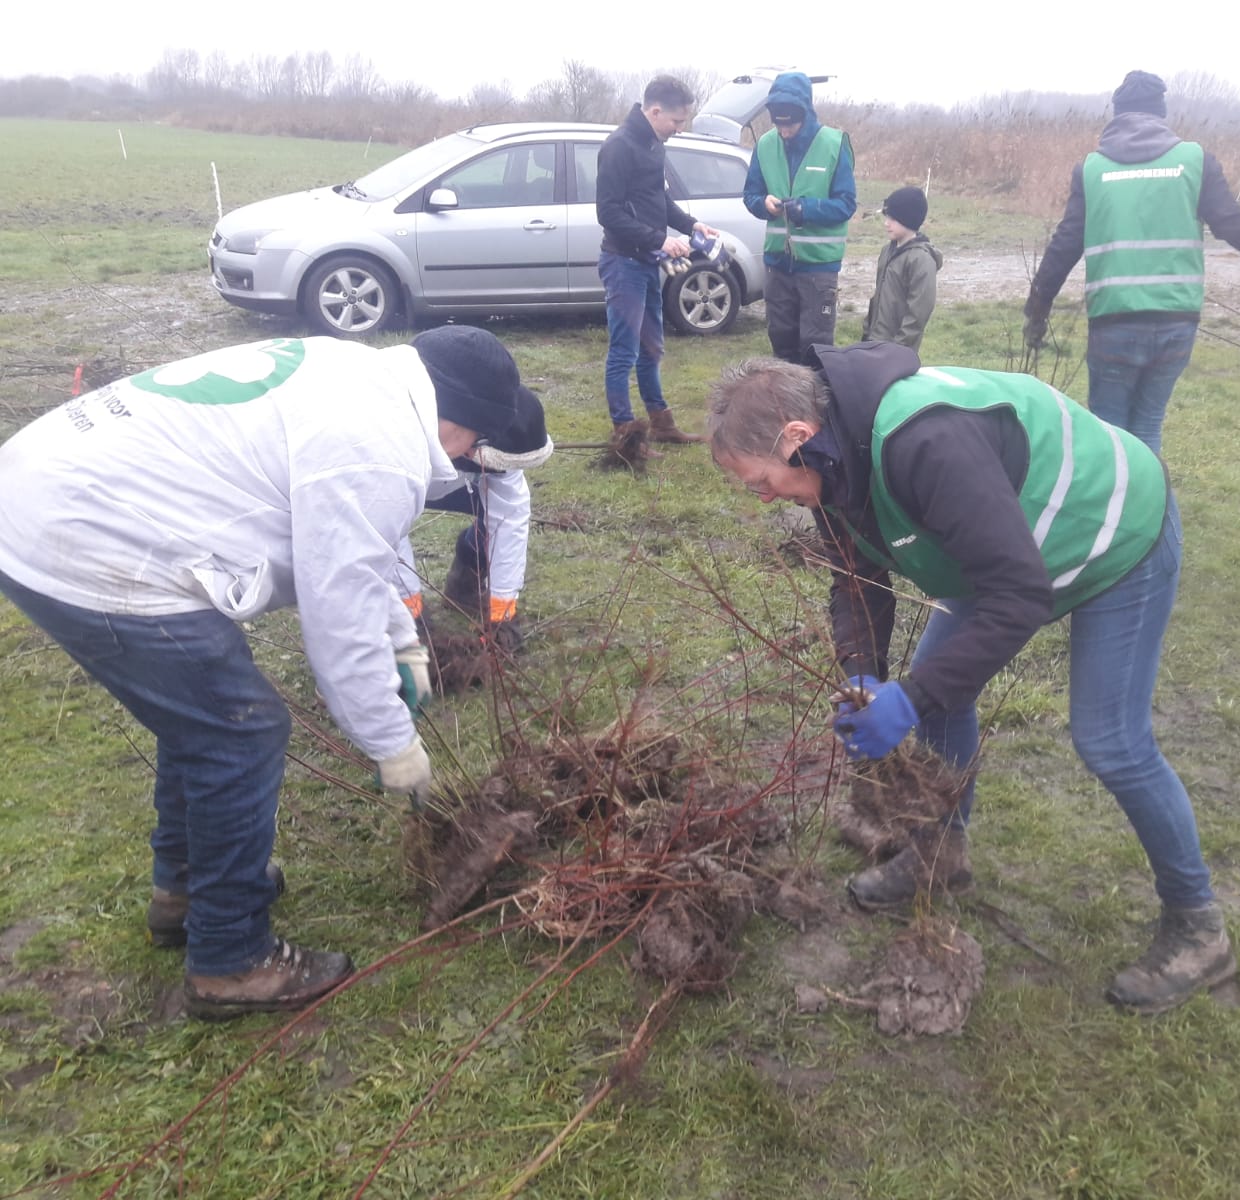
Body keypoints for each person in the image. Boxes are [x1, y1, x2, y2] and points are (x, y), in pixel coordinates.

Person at [0, 325, 522, 1020]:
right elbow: (336, 618)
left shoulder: (363, 380)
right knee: (238, 733)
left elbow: (363, 562)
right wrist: (394, 746)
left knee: (202, 719)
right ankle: (231, 959)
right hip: (85, 534)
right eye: (473, 446)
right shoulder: (379, 450)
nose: (466, 461)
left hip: (44, 486)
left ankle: (184, 894)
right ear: (458, 426)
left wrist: (403, 648)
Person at [705, 344, 1236, 1015]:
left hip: (1112, 530)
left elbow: (1017, 597)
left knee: (1110, 740)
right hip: (1000, 553)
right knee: (938, 698)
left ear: (797, 437)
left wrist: (914, 692)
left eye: (759, 481)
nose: (760, 498)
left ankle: (1199, 926)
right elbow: (857, 578)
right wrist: (865, 679)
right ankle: (941, 854)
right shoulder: (829, 464)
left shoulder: (926, 442)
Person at [1023, 69, 1240, 454]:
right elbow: (1231, 221)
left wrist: (1037, 310)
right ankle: (1153, 512)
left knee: (1110, 440)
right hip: (1176, 324)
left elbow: (1064, 245)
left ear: (1116, 114)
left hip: (1114, 323)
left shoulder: (1091, 170)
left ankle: (1122, 512)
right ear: (1161, 113)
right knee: (1147, 430)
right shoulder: (1194, 161)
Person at [596, 74, 720, 455]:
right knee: (624, 350)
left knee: (652, 347)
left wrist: (689, 224)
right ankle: (627, 436)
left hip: (649, 263)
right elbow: (609, 213)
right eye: (676, 122)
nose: (679, 129)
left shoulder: (654, 144)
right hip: (623, 264)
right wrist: (660, 240)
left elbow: (658, 202)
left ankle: (661, 424)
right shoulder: (618, 147)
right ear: (654, 111)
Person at [395, 384, 552, 654]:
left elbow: (509, 525)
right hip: (415, 477)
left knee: (496, 518)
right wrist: (408, 613)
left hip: (464, 484)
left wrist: (502, 614)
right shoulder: (403, 443)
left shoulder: (503, 455)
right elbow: (387, 535)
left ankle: (464, 581)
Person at [742, 71, 857, 363]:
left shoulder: (834, 143)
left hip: (818, 267)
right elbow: (750, 194)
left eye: (790, 124)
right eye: (778, 125)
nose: (784, 132)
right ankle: (784, 405)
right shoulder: (765, 145)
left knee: (815, 346)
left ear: (804, 113)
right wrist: (761, 203)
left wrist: (807, 209)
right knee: (781, 340)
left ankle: (817, 405)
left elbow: (846, 204)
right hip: (778, 266)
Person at [861, 186, 942, 351]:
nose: (886, 223)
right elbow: (879, 297)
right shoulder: (886, 251)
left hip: (898, 350)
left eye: (893, 218)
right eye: (887, 217)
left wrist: (899, 348)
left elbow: (918, 313)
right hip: (874, 342)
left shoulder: (921, 260)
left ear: (908, 219)